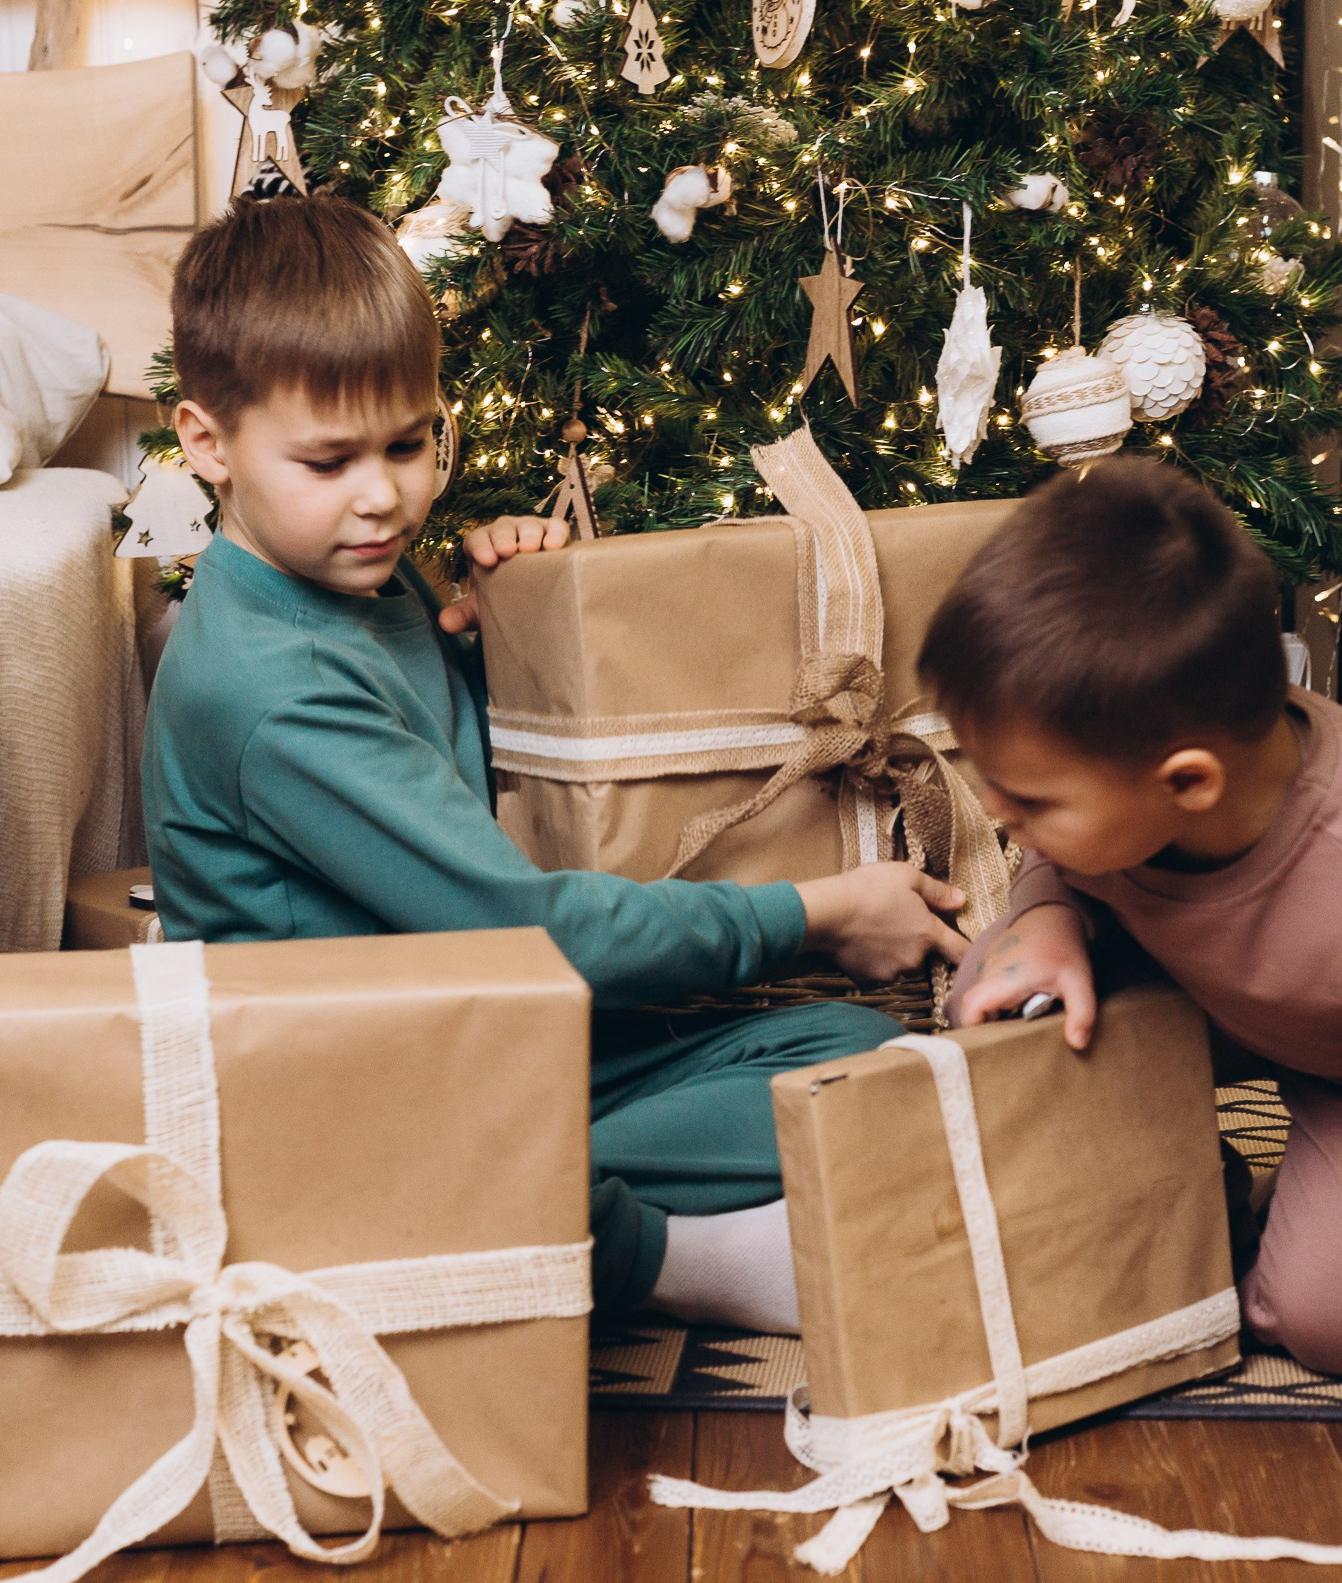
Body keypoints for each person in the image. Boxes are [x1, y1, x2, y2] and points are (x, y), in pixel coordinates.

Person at [142, 194, 969, 1332]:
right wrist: (817, 911)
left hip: (486, 1037)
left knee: (862, 1051)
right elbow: (533, 927)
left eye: (409, 442)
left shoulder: (364, 578)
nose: (384, 496)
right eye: (328, 461)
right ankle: (672, 1257)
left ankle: (560, 1203)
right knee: (845, 1101)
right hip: (362, 1091)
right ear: (204, 443)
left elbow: (469, 786)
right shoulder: (264, 688)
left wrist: (509, 632)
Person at [926, 459, 1342, 1525]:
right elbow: (1072, 862)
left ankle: (1239, 1212)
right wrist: (1045, 907)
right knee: (990, 991)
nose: (995, 815)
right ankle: (1190, 1178)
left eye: (1027, 799)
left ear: (1187, 782)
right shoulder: (1129, 788)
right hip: (1219, 993)